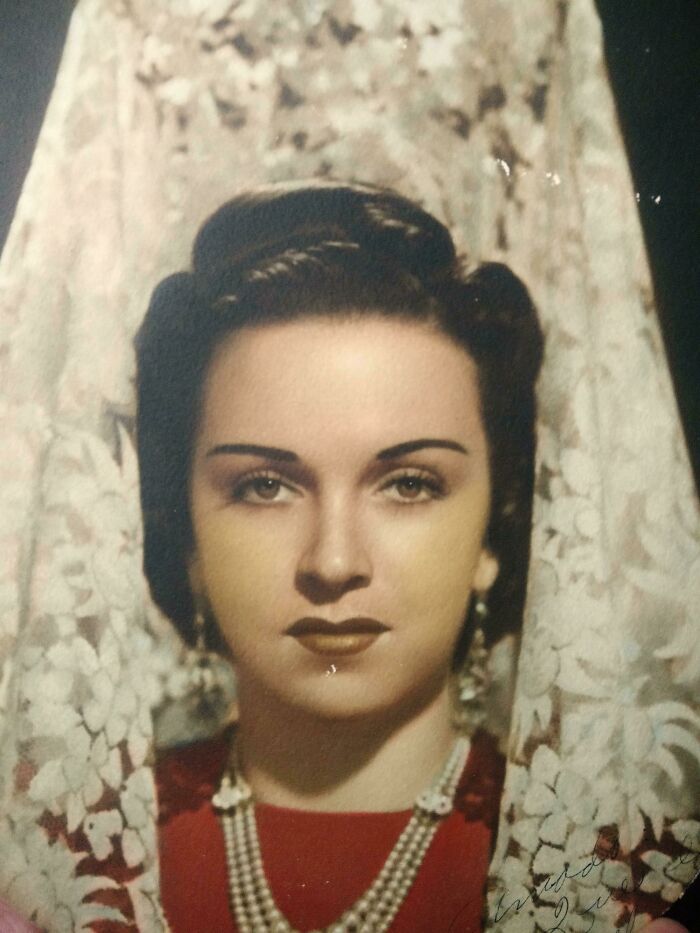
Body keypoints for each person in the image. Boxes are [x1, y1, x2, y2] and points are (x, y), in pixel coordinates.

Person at [134, 179, 541, 932]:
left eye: (410, 484)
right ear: (184, 534)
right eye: (263, 486)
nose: (333, 560)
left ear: (496, 532)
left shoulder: (576, 863)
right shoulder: (88, 856)